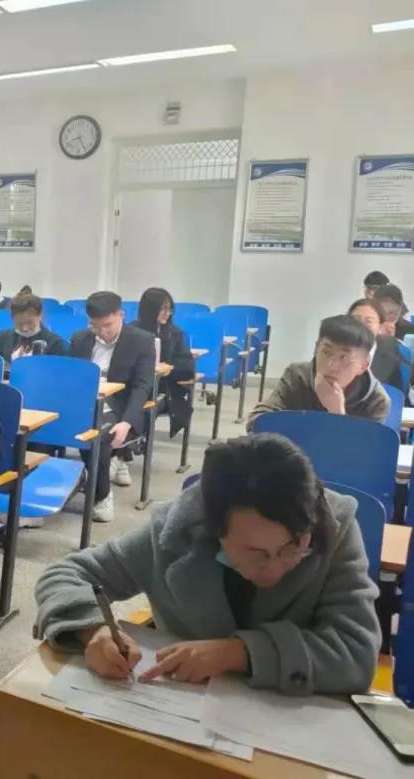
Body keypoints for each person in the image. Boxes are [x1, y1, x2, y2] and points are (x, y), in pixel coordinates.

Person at [33, 433, 380, 695]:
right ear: (214, 530)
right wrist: (93, 631)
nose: (275, 568)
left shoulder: (335, 529)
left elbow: (356, 654)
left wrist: (237, 653)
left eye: (293, 547)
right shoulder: (175, 533)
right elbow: (66, 574)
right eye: (256, 553)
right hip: (183, 720)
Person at [69, 292, 156, 522]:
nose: (102, 332)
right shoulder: (80, 339)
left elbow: (142, 386)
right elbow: (71, 378)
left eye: (107, 325)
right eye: (95, 326)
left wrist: (126, 422)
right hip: (85, 404)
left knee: (95, 435)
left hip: (120, 408)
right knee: (37, 431)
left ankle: (102, 495)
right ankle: (29, 497)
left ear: (121, 315)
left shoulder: (141, 340)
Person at [248, 315, 389, 429]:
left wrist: (338, 414)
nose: (331, 365)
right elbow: (257, 420)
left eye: (344, 357)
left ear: (363, 365)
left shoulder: (376, 399)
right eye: (326, 352)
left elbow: (362, 452)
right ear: (316, 348)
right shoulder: (297, 376)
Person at [132, 287, 195, 438]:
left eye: (170, 309)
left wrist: (169, 369)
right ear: (150, 310)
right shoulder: (132, 331)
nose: (167, 313)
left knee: (140, 408)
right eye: (162, 309)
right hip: (136, 386)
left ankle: (134, 441)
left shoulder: (175, 333)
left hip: (164, 389)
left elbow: (188, 368)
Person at [348, 298, 405, 394]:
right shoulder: (332, 350)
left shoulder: (392, 357)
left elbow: (397, 395)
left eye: (368, 321)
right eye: (355, 319)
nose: (360, 325)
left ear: (380, 326)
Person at [0, 292, 66, 363]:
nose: (25, 328)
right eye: (19, 324)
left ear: (40, 316)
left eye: (30, 323)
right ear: (12, 318)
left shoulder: (55, 343)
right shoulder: (2, 338)